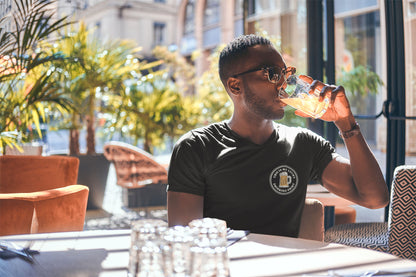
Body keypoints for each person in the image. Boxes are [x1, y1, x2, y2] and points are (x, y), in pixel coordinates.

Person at [166, 34, 389, 237]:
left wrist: (346, 123)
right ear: (235, 86)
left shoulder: (303, 144)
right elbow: (185, 240)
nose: (283, 84)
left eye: (285, 73)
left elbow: (375, 199)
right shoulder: (197, 147)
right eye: (272, 74)